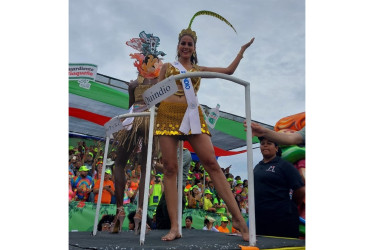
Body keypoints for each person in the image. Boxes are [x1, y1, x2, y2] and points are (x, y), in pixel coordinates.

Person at [155, 10, 254, 241]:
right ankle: (175, 227)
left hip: (192, 116)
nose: (186, 46)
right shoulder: (166, 67)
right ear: (178, 45)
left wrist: (240, 52)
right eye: (183, 43)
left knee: (211, 163)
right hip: (168, 116)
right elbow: (156, 95)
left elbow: (228, 72)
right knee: (170, 169)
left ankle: (239, 221)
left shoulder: (198, 70)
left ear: (194, 48)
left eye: (189, 43)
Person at [110, 31, 165, 233]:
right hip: (151, 121)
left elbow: (130, 108)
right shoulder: (161, 83)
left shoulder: (133, 84)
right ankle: (140, 211)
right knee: (146, 167)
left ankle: (120, 210)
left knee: (119, 163)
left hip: (133, 121)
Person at [254, 137, 305, 238]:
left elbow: (300, 190)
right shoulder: (257, 167)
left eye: (269, 143)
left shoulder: (285, 165)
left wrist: (288, 205)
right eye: (262, 143)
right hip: (261, 220)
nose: (265, 145)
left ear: (276, 148)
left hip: (282, 219)